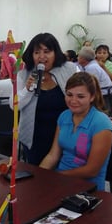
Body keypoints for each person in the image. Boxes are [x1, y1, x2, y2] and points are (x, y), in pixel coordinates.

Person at [40, 72, 112, 190]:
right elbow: (53, 155)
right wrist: (40, 175)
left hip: (88, 188)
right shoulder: (64, 116)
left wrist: (56, 177)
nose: (73, 101)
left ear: (92, 97)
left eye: (80, 96)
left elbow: (92, 170)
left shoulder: (101, 123)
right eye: (69, 95)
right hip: (60, 180)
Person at [14, 32, 77, 165]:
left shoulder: (68, 69)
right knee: (38, 177)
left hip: (65, 133)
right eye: (37, 52)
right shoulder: (24, 74)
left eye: (47, 51)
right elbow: (14, 106)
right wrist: (28, 89)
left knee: (63, 175)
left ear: (55, 53)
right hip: (34, 135)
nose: (41, 56)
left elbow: (82, 94)